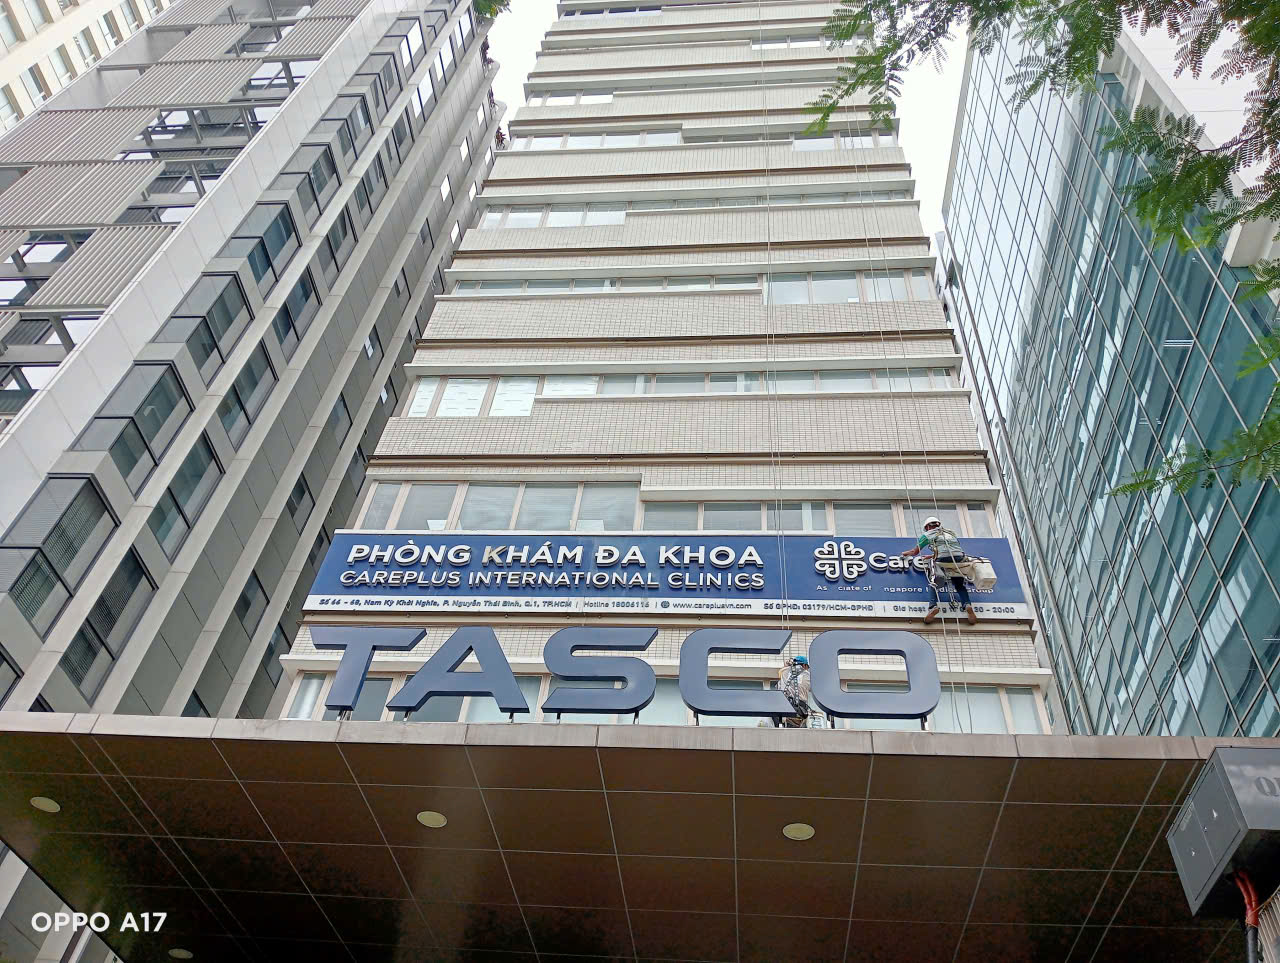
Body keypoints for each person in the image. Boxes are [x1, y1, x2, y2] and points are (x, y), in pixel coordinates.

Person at [900, 516, 978, 625]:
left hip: (942, 559)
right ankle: (967, 605)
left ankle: (933, 606)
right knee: (959, 584)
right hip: (959, 558)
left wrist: (905, 554)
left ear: (927, 527)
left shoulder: (927, 534)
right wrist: (932, 555)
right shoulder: (950, 532)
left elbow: (915, 552)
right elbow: (950, 549)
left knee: (933, 583)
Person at [778, 655, 811, 727]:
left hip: (783, 706)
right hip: (799, 709)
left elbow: (779, 687)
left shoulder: (784, 672)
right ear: (804, 665)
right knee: (797, 731)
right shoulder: (808, 675)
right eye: (807, 667)